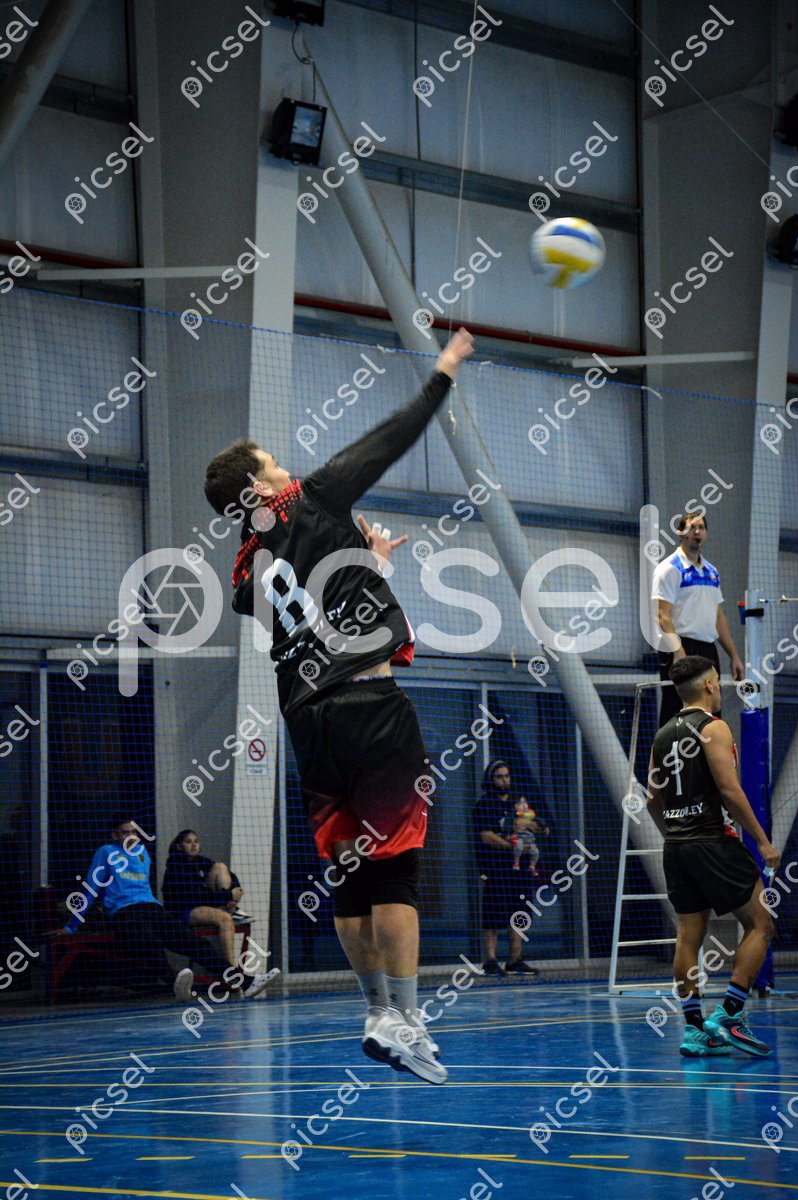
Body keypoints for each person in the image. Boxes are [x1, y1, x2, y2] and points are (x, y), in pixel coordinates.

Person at [204, 328, 475, 1085]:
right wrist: (443, 373)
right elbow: (390, 438)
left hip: (309, 722)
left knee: (353, 876)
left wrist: (369, 565)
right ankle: (409, 1022)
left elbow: (311, 611)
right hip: (368, 706)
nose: (286, 469)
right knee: (397, 873)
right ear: (260, 489)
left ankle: (377, 1011)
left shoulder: (243, 575)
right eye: (273, 466)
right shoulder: (313, 497)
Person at [646, 656, 779, 1057]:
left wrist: (674, 834)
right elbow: (729, 789)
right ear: (708, 685)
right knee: (761, 924)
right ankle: (730, 1014)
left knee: (689, 935)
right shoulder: (713, 727)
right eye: (717, 683)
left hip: (677, 846)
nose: (719, 689)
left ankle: (693, 1030)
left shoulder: (661, 735)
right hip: (713, 841)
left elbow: (651, 798)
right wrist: (762, 841)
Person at [60, 815, 272, 1001]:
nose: (132, 837)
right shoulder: (106, 852)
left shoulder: (142, 853)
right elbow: (91, 888)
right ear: (115, 835)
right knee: (148, 940)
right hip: (124, 911)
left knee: (195, 943)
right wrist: (71, 926)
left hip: (152, 907)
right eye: (125, 833)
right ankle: (174, 982)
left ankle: (245, 982)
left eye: (134, 832)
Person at [652, 512, 744, 726]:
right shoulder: (669, 568)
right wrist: (679, 653)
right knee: (678, 710)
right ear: (680, 534)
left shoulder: (712, 572)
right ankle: (672, 748)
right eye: (691, 527)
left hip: (707, 650)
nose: (697, 532)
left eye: (701, 527)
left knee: (711, 710)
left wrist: (734, 656)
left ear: (706, 533)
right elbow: (662, 614)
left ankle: (708, 748)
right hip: (679, 648)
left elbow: (718, 617)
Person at [474, 760, 540, 976]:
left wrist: (528, 825)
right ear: (491, 779)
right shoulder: (485, 805)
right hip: (496, 868)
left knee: (519, 912)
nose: (504, 780)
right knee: (493, 913)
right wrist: (513, 846)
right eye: (499, 777)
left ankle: (515, 959)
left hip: (520, 871)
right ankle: (490, 960)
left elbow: (542, 826)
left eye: (507, 776)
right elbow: (486, 836)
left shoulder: (518, 803)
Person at [162, 830, 251, 968]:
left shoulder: (199, 861)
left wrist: (235, 891)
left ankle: (230, 907)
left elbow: (230, 875)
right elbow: (197, 896)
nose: (194, 845)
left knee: (220, 867)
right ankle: (231, 972)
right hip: (183, 910)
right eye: (188, 842)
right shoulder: (176, 867)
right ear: (179, 846)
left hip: (201, 904)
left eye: (196, 842)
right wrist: (228, 895)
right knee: (225, 919)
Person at [511, 797, 547, 875]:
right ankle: (516, 863)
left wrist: (543, 826)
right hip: (518, 838)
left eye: (525, 803)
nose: (523, 805)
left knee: (535, 852)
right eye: (520, 804)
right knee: (518, 846)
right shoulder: (512, 816)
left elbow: (540, 821)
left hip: (530, 840)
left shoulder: (530, 815)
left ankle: (532, 867)